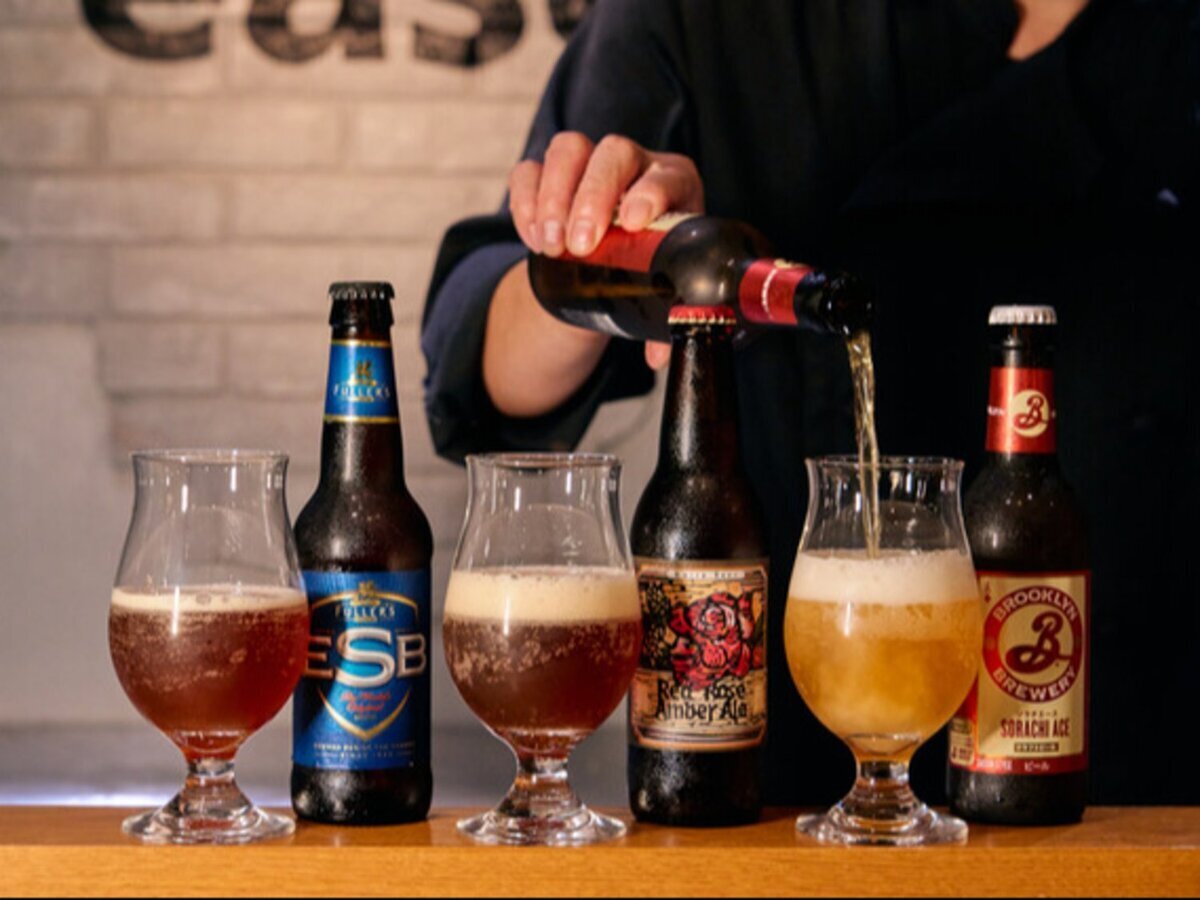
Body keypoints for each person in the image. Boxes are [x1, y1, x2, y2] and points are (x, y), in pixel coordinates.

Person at [422, 0, 1200, 806]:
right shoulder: (706, 20)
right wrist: (602, 250)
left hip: (1157, 786)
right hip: (792, 805)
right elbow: (482, 370)